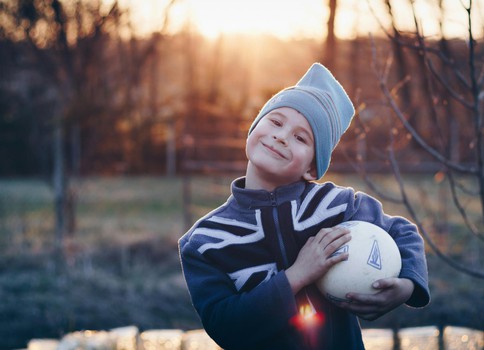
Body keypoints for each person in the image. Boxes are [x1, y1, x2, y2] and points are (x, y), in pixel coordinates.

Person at [178, 63, 430, 350]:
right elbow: (224, 326)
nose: (282, 136)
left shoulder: (337, 206)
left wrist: (407, 286)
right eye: (275, 122)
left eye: (301, 137)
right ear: (253, 129)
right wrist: (296, 276)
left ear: (312, 167)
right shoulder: (205, 242)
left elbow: (402, 231)